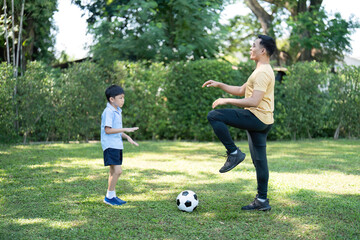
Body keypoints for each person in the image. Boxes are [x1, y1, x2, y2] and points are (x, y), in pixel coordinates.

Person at [202, 35, 276, 211]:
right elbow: (242, 90)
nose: (251, 49)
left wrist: (225, 101)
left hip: (256, 117)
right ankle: (262, 201)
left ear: (263, 50)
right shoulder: (261, 70)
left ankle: (233, 152)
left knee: (214, 115)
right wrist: (220, 85)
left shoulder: (263, 72)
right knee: (259, 160)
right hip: (264, 119)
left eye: (253, 46)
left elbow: (254, 101)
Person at [101, 85, 139, 206]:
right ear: (112, 99)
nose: (123, 100)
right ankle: (109, 196)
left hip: (116, 145)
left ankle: (111, 196)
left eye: (123, 98)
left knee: (113, 171)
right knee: (118, 171)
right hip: (110, 145)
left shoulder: (117, 111)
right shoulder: (109, 112)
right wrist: (126, 129)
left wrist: (127, 137)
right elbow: (108, 130)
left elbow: (116, 129)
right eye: (120, 98)